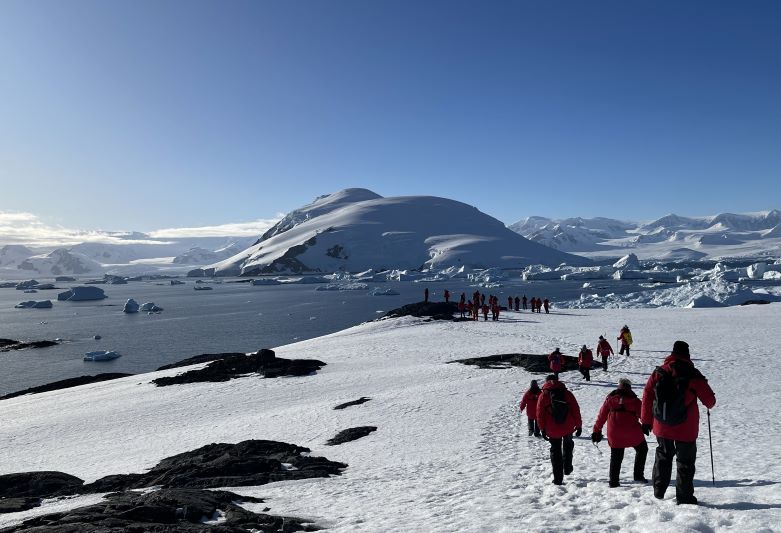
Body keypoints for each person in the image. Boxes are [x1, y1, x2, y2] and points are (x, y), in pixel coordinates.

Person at [641, 341, 716, 505]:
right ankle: (684, 496)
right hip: (685, 428)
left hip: (662, 424)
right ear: (687, 355)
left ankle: (659, 489)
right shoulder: (692, 374)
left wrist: (646, 421)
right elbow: (709, 401)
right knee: (685, 462)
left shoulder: (659, 372)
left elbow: (647, 394)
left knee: (663, 455)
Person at [591, 378, 648, 487]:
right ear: (629, 388)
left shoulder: (610, 400)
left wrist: (596, 431)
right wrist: (646, 426)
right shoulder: (635, 401)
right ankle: (638, 475)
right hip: (632, 432)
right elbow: (643, 416)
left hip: (614, 433)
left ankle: (613, 482)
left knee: (616, 456)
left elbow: (601, 417)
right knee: (642, 449)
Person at [537, 374, 582, 485]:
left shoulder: (543, 396)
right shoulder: (567, 393)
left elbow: (539, 414)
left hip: (552, 429)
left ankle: (558, 479)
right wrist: (579, 425)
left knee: (555, 451)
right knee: (568, 445)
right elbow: (576, 410)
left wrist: (542, 429)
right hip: (568, 427)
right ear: (558, 381)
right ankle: (567, 467)